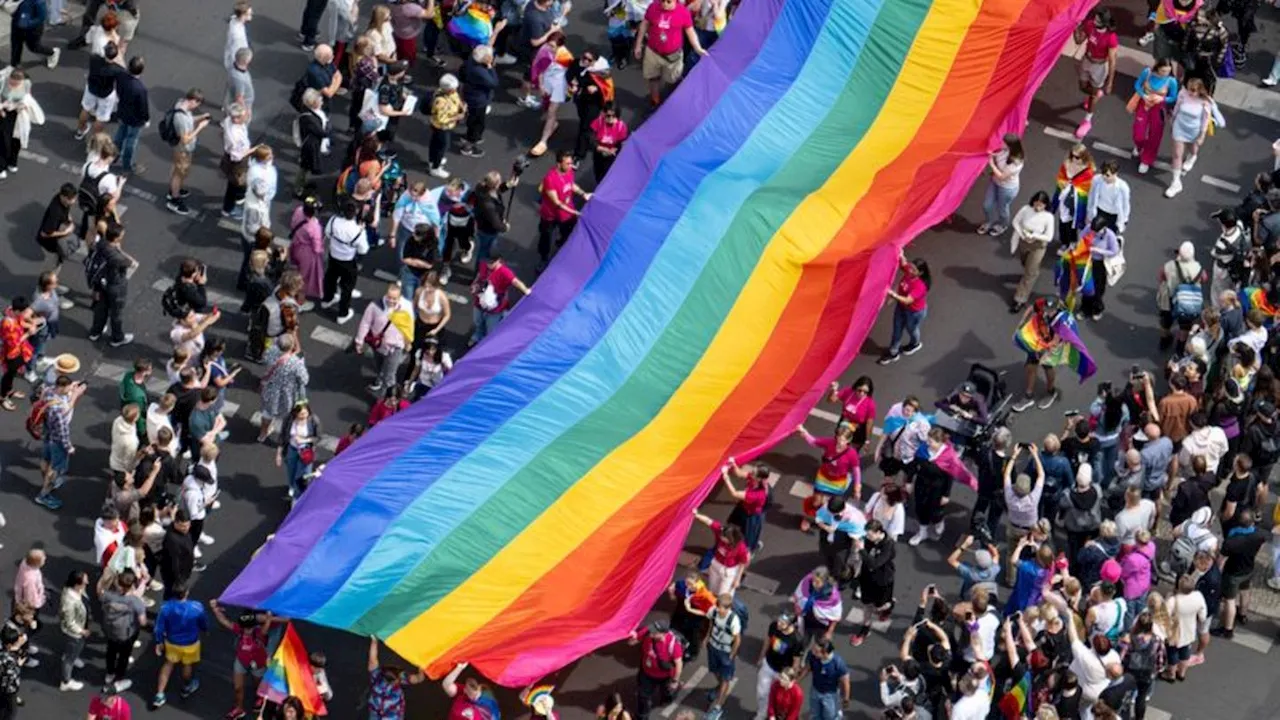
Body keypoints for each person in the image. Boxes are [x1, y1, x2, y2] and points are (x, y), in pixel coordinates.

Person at [632, 0, 706, 108]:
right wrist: (638, 45)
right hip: (653, 52)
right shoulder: (653, 6)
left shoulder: (683, 12)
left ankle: (671, 101)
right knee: (652, 78)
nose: (664, 4)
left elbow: (690, 31)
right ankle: (655, 99)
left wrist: (698, 48)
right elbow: (645, 24)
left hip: (673, 56)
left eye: (668, 1)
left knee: (672, 80)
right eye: (662, 1)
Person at [151, 582, 208, 709]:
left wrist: (159, 641)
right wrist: (205, 629)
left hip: (172, 642)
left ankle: (160, 694)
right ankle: (186, 687)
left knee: (168, 664)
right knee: (187, 665)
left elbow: (159, 627)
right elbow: (203, 622)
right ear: (186, 592)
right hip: (190, 643)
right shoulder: (197, 607)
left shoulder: (166, 608)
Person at [1214, 508, 1267, 640]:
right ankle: (1242, 615)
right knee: (1245, 591)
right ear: (1252, 522)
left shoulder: (1231, 541)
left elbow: (1221, 561)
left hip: (1233, 573)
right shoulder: (1259, 535)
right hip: (1248, 568)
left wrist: (1216, 574)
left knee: (1229, 600)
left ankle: (1227, 629)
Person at [354, 282, 414, 393]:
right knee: (379, 366)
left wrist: (408, 342)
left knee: (390, 376)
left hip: (396, 346)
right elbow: (366, 322)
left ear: (400, 297)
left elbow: (409, 325)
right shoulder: (375, 306)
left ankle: (385, 401)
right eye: (389, 297)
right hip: (378, 344)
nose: (391, 301)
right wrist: (359, 341)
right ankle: (380, 379)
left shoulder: (406, 307)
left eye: (394, 298)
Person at [536, 151, 590, 271]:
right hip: (550, 215)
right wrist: (575, 212)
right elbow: (557, 203)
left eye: (571, 163)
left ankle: (562, 243)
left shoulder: (569, 171)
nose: (571, 166)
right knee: (546, 238)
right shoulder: (550, 179)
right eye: (568, 163)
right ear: (559, 164)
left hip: (566, 212)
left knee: (569, 232)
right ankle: (543, 258)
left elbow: (571, 185)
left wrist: (583, 194)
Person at [319, 198, 370, 324]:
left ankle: (327, 299)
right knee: (347, 287)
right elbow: (363, 249)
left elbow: (328, 234)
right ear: (356, 212)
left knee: (330, 277)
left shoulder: (333, 220)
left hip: (333, 255)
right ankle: (342, 313)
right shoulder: (358, 230)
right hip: (348, 260)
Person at [877, 251, 930, 364]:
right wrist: (900, 253)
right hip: (902, 308)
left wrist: (892, 294)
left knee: (911, 329)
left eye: (913, 270)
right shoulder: (909, 272)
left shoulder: (920, 286)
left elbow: (908, 300)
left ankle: (915, 344)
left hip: (914, 312)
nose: (910, 270)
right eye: (910, 267)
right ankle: (893, 352)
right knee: (897, 329)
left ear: (920, 273)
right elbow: (903, 264)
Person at [1164, 77, 1213, 198]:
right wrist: (1173, 120)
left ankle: (1192, 156)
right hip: (1179, 127)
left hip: (1194, 130)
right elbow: (1177, 108)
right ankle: (1176, 182)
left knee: (1193, 149)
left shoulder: (1205, 102)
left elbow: (1205, 120)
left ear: (1199, 90)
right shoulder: (1183, 94)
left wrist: (1202, 135)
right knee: (1177, 154)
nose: (1190, 92)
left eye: (1193, 90)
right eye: (1189, 88)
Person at [850, 520, 895, 647]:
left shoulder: (888, 544)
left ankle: (889, 606)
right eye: (867, 535)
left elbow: (875, 564)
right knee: (867, 604)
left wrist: (862, 550)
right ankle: (865, 628)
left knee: (880, 606)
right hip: (867, 578)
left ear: (879, 532)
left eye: (870, 535)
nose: (867, 538)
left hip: (882, 581)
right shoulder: (868, 540)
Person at [165, 89, 210, 216]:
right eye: (197, 104)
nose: (197, 107)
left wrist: (200, 117)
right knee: (179, 173)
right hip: (183, 150)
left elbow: (190, 119)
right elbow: (185, 139)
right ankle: (174, 199)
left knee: (179, 172)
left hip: (181, 150)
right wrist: (200, 128)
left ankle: (175, 190)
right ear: (192, 101)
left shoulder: (181, 106)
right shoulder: (182, 118)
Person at [1073, 8, 1117, 138]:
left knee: (1092, 94)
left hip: (1099, 66)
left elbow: (1112, 61)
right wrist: (1075, 28)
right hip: (1087, 60)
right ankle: (1096, 93)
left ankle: (1087, 120)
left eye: (1098, 20)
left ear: (1105, 22)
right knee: (1082, 86)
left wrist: (1110, 82)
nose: (1094, 21)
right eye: (1095, 18)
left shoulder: (1111, 37)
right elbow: (1079, 40)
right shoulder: (1089, 25)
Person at [100, 569, 146, 692]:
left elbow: (100, 593)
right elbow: (143, 621)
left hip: (110, 631)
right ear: (132, 585)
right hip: (126, 633)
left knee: (111, 652)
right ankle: (119, 679)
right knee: (123, 657)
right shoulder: (135, 601)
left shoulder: (108, 595)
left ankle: (109, 674)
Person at [470, 254, 531, 345]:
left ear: (499, 260)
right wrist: (474, 283)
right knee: (477, 321)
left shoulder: (505, 272)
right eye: (487, 262)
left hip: (496, 306)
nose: (488, 265)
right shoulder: (483, 264)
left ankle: (487, 343)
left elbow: (515, 282)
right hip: (479, 301)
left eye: (491, 263)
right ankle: (477, 335)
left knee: (491, 327)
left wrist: (526, 291)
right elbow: (480, 274)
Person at [1131, 59, 1178, 175]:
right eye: (1163, 71)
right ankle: (1140, 146)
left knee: (1155, 135)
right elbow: (1137, 85)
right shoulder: (1147, 73)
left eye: (1168, 71)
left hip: (1159, 109)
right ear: (1157, 68)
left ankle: (1147, 159)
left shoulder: (1171, 81)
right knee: (1138, 132)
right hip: (1144, 105)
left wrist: (1162, 99)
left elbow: (1173, 97)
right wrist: (1143, 95)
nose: (1165, 74)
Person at [1009, 191, 1055, 313]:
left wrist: (1035, 236)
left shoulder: (1048, 217)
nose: (1038, 207)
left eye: (1041, 205)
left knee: (1029, 273)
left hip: (1038, 246)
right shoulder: (1025, 209)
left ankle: (1020, 299)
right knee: (1025, 262)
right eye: (1036, 204)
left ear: (1046, 205)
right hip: (1024, 241)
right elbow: (1015, 221)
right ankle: (1033, 272)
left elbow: (1049, 237)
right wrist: (1022, 234)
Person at [630, 621, 684, 720]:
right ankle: (642, 716)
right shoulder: (648, 631)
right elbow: (633, 641)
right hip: (647, 673)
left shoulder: (673, 645)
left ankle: (668, 697)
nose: (651, 633)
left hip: (664, 676)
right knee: (643, 696)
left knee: (666, 692)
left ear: (663, 634)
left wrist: (675, 681)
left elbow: (679, 664)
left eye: (655, 632)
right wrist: (632, 638)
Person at [754, 611, 802, 720]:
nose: (779, 624)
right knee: (762, 693)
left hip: (782, 673)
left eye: (783, 623)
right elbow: (768, 640)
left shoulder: (797, 640)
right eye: (779, 621)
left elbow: (796, 660)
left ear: (791, 625)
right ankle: (761, 715)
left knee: (777, 699)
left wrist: (791, 678)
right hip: (768, 664)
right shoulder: (774, 626)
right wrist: (761, 657)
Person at [76, 41, 126, 141]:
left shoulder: (94, 59)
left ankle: (80, 131)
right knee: (101, 118)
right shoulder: (118, 70)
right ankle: (95, 139)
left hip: (91, 89)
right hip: (105, 94)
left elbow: (96, 56)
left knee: (85, 109)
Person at [977, 133, 1024, 236]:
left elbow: (1002, 176)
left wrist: (992, 164)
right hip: (995, 182)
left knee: (1002, 208)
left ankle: (1003, 225)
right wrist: (992, 155)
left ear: (1010, 146)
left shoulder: (1016, 163)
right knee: (987, 205)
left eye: (1004, 142)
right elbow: (998, 156)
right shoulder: (1005, 150)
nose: (1001, 143)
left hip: (1007, 188)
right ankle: (988, 222)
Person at [703, 594, 741, 720]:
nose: (719, 609)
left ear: (728, 608)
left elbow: (737, 639)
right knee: (714, 671)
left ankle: (718, 707)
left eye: (722, 608)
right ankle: (720, 688)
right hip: (713, 647)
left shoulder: (733, 620)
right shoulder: (713, 611)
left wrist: (732, 654)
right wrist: (707, 637)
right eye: (718, 606)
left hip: (725, 652)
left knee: (725, 678)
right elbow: (711, 624)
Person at [460, 44, 499, 156]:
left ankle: (470, 136)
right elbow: (494, 83)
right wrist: (490, 67)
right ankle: (469, 145)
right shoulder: (480, 71)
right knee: (477, 123)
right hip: (478, 100)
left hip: (471, 95)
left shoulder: (470, 62)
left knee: (473, 119)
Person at [112, 55, 148, 174]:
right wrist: (146, 119)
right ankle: (127, 165)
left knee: (119, 135)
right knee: (131, 141)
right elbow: (143, 107)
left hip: (122, 112)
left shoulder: (121, 76)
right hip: (135, 119)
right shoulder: (140, 88)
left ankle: (113, 156)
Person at [797, 638, 849, 720]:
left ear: (825, 654)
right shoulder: (812, 656)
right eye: (814, 649)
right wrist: (797, 681)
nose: (813, 652)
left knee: (830, 716)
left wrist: (846, 698)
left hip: (830, 695)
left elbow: (845, 682)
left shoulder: (838, 663)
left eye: (816, 651)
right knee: (815, 714)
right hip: (815, 690)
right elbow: (807, 668)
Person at [220, 103, 254, 220]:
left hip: (232, 157)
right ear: (237, 118)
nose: (246, 117)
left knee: (233, 184)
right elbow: (237, 156)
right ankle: (229, 208)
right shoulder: (234, 135)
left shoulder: (228, 121)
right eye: (244, 116)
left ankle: (230, 204)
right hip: (237, 162)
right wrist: (252, 150)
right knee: (235, 184)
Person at [293, 89, 330, 197]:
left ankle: (300, 185)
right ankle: (298, 189)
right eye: (320, 100)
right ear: (313, 103)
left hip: (311, 144)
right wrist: (328, 127)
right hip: (309, 146)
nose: (322, 102)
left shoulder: (309, 113)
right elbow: (321, 132)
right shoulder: (308, 118)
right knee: (304, 167)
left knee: (305, 167)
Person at [427, 74, 465, 177]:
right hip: (441, 127)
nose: (455, 91)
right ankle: (435, 168)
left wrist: (461, 105)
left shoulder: (447, 91)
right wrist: (457, 117)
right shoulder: (441, 101)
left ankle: (433, 160)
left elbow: (456, 98)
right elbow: (441, 119)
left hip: (440, 125)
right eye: (453, 89)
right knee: (442, 146)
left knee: (435, 143)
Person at [10, 0, 60, 68]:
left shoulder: (39, 2)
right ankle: (14, 65)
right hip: (17, 24)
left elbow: (41, 18)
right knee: (16, 45)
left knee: (34, 47)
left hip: (32, 29)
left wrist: (28, 24)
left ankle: (52, 52)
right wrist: (15, 13)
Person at [948, 535, 1000, 600]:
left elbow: (951, 560)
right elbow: (996, 555)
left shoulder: (970, 573)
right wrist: (990, 544)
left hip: (971, 593)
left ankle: (962, 597)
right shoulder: (995, 569)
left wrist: (964, 545)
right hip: (986, 592)